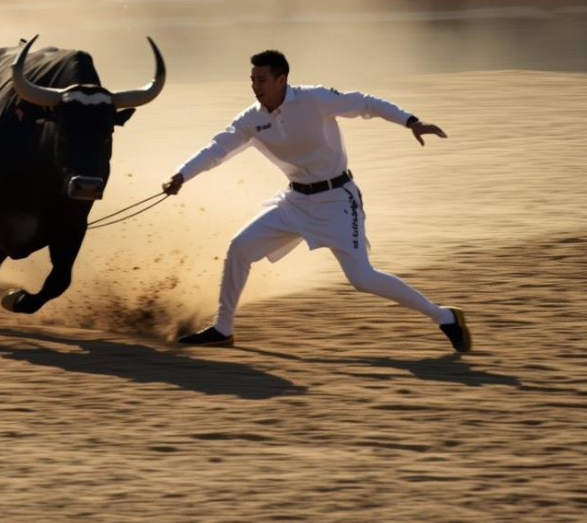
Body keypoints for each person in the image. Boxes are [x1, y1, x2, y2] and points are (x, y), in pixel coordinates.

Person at [161, 49, 472, 353]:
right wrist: (182, 175)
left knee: (362, 278)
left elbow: (365, 103)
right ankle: (223, 329)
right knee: (240, 247)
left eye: (262, 80)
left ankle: (444, 317)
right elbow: (217, 149)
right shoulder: (251, 119)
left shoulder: (314, 98)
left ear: (281, 80)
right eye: (252, 79)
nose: (255, 86)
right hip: (295, 201)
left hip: (337, 200)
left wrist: (411, 121)